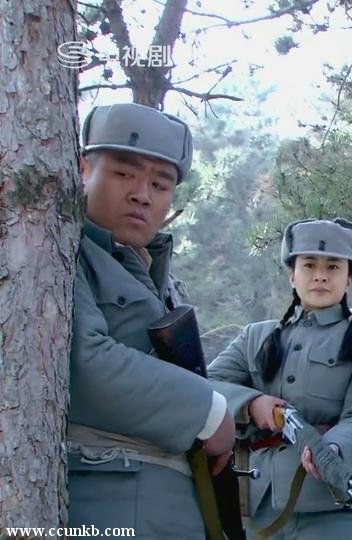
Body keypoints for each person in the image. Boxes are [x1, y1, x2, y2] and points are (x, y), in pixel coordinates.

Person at [68, 103, 235, 538]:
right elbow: (81, 364)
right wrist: (209, 411)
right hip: (107, 502)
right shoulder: (63, 254)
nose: (142, 194)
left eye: (160, 184)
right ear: (84, 170)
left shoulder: (156, 277)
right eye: (124, 173)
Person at [207, 218, 352, 539]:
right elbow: (207, 385)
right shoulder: (255, 336)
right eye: (309, 265)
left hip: (335, 507)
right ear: (292, 274)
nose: (320, 275)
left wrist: (335, 448)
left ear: (349, 279)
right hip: (257, 509)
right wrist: (252, 404)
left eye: (333, 267)